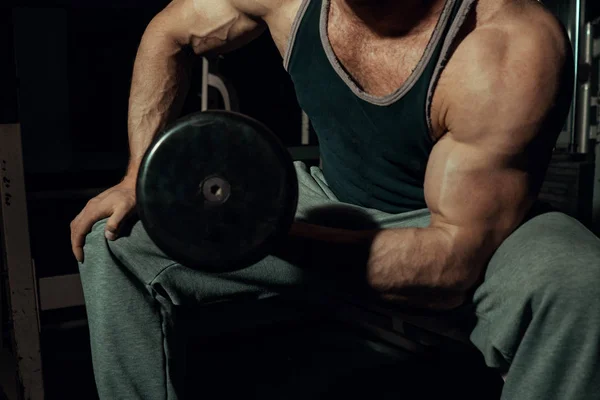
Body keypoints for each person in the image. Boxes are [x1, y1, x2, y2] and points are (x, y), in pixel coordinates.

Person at [70, 0, 600, 398]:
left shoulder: (507, 44)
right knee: (116, 240)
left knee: (579, 277)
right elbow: (170, 32)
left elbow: (451, 266)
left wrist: (260, 227)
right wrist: (138, 173)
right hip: (330, 196)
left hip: (471, 232)